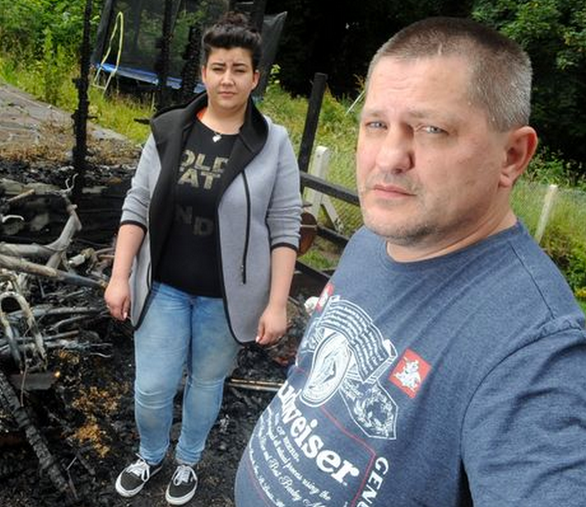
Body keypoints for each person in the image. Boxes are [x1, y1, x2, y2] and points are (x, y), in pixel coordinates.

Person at [235, 16, 586, 507]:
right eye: (377, 124)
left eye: (432, 129)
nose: (389, 157)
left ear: (512, 155)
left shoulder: (532, 350)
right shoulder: (370, 242)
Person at [104, 11, 301, 506]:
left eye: (239, 69)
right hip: (164, 286)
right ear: (203, 73)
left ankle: (188, 460)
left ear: (255, 78)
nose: (227, 78)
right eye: (218, 67)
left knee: (206, 383)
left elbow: (284, 227)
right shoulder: (170, 129)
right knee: (152, 387)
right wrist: (119, 275)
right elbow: (137, 205)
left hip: (226, 298)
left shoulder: (273, 143)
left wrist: (277, 304)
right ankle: (150, 454)